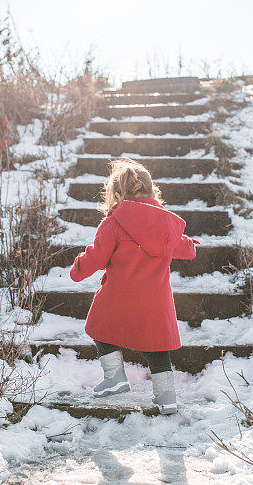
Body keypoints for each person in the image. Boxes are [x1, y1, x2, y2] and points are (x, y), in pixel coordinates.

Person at [69, 158, 199, 414]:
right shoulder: (166, 224)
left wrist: (78, 268)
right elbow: (186, 251)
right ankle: (166, 396)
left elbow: (96, 257)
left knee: (99, 327)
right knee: (158, 347)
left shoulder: (114, 222)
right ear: (153, 192)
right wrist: (191, 244)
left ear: (117, 194)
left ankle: (115, 376)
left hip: (119, 297)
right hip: (156, 302)